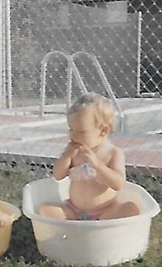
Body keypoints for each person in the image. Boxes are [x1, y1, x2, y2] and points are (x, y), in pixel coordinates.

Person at [38, 92, 140, 220]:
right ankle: (75, 226)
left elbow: (118, 184)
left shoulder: (113, 153)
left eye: (81, 131)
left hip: (106, 210)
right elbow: (58, 176)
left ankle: (98, 228)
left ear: (103, 131)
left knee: (131, 208)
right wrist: (66, 155)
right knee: (44, 209)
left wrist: (97, 165)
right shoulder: (74, 152)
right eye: (71, 129)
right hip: (74, 210)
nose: (73, 135)